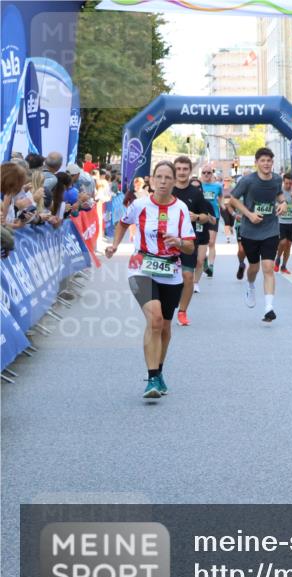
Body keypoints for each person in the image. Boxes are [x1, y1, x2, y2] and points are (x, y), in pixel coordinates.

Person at [105, 161, 195, 399]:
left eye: (168, 178)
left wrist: (178, 242)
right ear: (152, 180)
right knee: (154, 319)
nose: (163, 182)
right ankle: (152, 377)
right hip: (141, 266)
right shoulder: (140, 205)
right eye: (159, 177)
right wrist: (114, 245)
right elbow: (122, 223)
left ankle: (160, 371)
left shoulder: (182, 209)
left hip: (171, 271)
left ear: (175, 182)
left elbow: (189, 247)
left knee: (165, 326)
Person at [227, 147, 287, 322]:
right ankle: (251, 285)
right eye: (263, 160)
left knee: (268, 267)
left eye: (269, 160)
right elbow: (233, 199)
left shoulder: (276, 179)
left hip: (270, 229)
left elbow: (279, 193)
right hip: (250, 231)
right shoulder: (247, 181)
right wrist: (249, 214)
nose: (266, 163)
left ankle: (269, 308)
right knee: (254, 267)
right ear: (257, 163)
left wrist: (283, 203)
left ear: (272, 163)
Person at [171, 156, 216, 325]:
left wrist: (196, 216)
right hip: (166, 241)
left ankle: (182, 312)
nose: (181, 172)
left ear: (190, 171)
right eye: (179, 169)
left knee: (188, 277)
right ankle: (166, 305)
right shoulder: (166, 189)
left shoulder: (196, 193)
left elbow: (206, 217)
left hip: (188, 241)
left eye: (185, 169)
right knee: (167, 278)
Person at [275, 173, 292, 274]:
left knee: (289, 245)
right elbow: (274, 203)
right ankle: (277, 258)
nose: (288, 185)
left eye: (290, 183)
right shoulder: (279, 191)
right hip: (281, 221)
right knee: (282, 242)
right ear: (283, 182)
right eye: (286, 183)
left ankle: (284, 266)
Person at [200, 166, 223, 277]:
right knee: (200, 242)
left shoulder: (218, 186)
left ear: (212, 173)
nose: (206, 174)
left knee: (211, 242)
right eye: (204, 172)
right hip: (201, 215)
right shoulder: (198, 185)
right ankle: (203, 259)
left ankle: (211, 266)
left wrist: (221, 204)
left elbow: (221, 196)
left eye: (208, 172)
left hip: (214, 215)